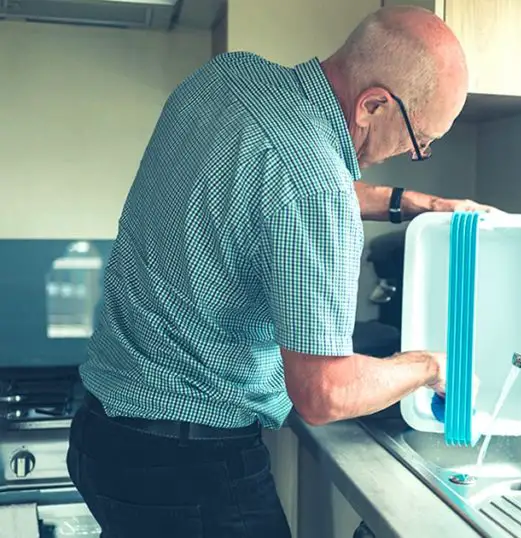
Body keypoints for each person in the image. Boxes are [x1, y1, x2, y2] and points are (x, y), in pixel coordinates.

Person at [66, 6, 487, 538]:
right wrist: (431, 365)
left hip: (104, 438)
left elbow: (275, 187)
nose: (415, 150)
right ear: (373, 105)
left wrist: (412, 202)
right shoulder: (315, 185)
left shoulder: (230, 77)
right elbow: (323, 393)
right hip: (188, 472)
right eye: (421, 139)